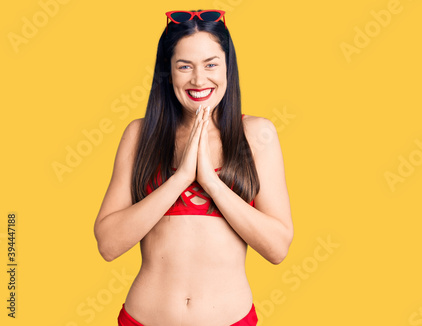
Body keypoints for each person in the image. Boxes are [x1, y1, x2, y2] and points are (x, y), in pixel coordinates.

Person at [94, 9, 293, 326]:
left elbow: (277, 248)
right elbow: (108, 244)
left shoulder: (257, 135)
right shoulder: (139, 134)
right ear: (168, 72)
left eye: (211, 64)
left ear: (228, 66)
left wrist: (212, 183)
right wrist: (181, 178)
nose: (199, 79)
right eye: (184, 66)